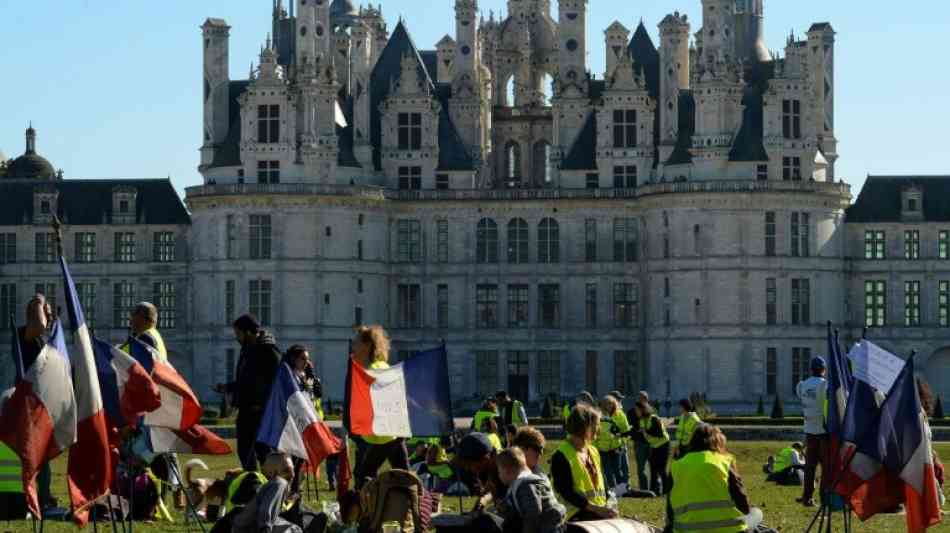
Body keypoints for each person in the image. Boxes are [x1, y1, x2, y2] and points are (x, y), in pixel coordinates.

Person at [667, 424, 774, 533]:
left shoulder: (676, 466)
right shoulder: (724, 462)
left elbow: (670, 510)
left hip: (688, 530)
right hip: (729, 529)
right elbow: (743, 505)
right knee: (757, 513)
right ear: (718, 441)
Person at [215, 314, 282, 472]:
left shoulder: (267, 350)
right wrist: (228, 387)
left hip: (259, 411)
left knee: (261, 452)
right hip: (247, 410)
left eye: (238, 333)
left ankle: (268, 484)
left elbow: (277, 381)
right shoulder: (247, 350)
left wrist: (263, 404)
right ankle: (255, 484)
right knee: (247, 452)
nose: (237, 338)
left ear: (249, 332)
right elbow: (247, 382)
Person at [350, 325, 410, 488]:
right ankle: (414, 505)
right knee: (404, 473)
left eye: (356, 343)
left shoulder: (372, 370)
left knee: (365, 476)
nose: (353, 346)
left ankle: (367, 509)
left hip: (384, 435)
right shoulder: (382, 366)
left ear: (367, 346)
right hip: (394, 432)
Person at [15, 294, 56, 514]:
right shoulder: (24, 334)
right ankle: (30, 498)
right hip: (27, 404)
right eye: (45, 313)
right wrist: (39, 300)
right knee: (31, 454)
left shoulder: (40, 338)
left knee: (44, 454)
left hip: (40, 403)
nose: (48, 319)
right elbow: (39, 324)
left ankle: (44, 496)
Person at [550, 404, 618, 522]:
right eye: (596, 425)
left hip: (598, 516)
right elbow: (566, 492)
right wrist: (596, 509)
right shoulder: (560, 456)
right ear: (584, 427)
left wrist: (609, 504)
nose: (599, 429)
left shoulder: (594, 451)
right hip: (575, 519)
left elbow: (603, 484)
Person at [495, 447, 566, 533]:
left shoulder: (526, 485)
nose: (499, 476)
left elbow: (533, 514)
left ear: (507, 471)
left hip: (549, 529)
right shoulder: (520, 484)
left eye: (499, 472)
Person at [231, 452, 302, 533]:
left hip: (246, 525)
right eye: (286, 470)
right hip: (250, 527)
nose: (293, 474)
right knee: (293, 530)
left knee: (295, 528)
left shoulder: (267, 485)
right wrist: (265, 529)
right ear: (272, 473)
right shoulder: (277, 482)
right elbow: (264, 512)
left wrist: (288, 501)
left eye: (293, 470)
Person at [284, 345, 319, 494]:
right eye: (302, 359)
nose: (306, 362)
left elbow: (317, 394)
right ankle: (289, 490)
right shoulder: (289, 375)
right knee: (292, 460)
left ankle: (294, 491)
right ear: (294, 359)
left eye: (307, 359)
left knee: (299, 461)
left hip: (304, 423)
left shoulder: (305, 375)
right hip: (292, 424)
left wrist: (312, 378)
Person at [453, 432, 506, 532]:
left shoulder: (507, 469)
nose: (468, 468)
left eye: (469, 464)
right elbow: (490, 490)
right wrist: (482, 501)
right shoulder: (484, 470)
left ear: (485, 458)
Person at [795, 356, 828, 507]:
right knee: (826, 468)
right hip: (823, 432)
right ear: (824, 370)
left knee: (810, 467)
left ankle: (807, 497)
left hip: (809, 431)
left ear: (811, 370)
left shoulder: (802, 385)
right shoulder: (824, 385)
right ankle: (824, 497)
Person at [631, 401, 670, 496]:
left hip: (663, 444)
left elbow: (659, 434)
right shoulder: (641, 421)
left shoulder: (654, 418)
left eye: (637, 409)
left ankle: (666, 491)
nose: (636, 411)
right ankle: (653, 492)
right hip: (654, 446)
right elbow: (642, 433)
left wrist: (646, 431)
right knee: (653, 468)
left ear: (642, 409)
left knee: (661, 469)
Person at [593, 396, 625, 491]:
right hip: (602, 449)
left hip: (616, 447)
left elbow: (626, 431)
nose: (609, 405)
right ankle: (612, 490)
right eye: (606, 403)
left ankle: (621, 491)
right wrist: (596, 446)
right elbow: (594, 432)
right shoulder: (597, 415)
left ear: (614, 404)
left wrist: (621, 441)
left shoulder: (620, 415)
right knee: (607, 471)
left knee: (618, 471)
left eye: (610, 403)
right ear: (602, 405)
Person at [628, 390, 652, 492]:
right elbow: (632, 426)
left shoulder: (652, 411)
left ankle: (655, 487)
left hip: (651, 442)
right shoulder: (632, 412)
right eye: (641, 398)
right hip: (639, 442)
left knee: (653, 467)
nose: (642, 401)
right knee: (641, 468)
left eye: (644, 399)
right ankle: (644, 489)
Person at [608, 390, 632, 488]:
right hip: (611, 446)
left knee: (624, 468)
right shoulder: (607, 414)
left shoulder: (620, 413)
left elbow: (626, 431)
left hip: (620, 445)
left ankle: (625, 487)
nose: (620, 401)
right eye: (619, 399)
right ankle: (618, 487)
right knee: (616, 469)